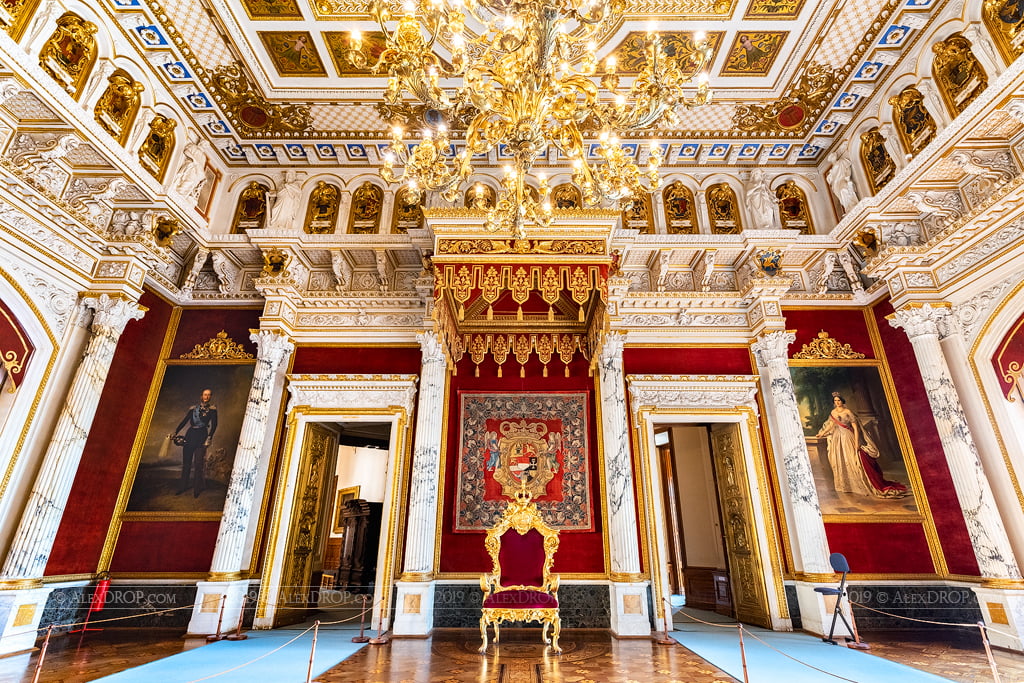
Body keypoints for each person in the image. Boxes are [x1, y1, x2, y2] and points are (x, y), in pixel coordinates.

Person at [815, 392, 907, 498]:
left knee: (853, 460)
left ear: (842, 401)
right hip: (837, 438)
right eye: (835, 401)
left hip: (848, 437)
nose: (837, 402)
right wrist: (822, 433)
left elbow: (855, 428)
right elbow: (831, 425)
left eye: (839, 400)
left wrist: (857, 442)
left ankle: (858, 484)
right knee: (841, 460)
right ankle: (847, 486)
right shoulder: (833, 412)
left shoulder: (848, 412)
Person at [171, 388, 218, 497]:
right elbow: (184, 421)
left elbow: (214, 425)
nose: (206, 396)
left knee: (198, 464)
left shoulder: (212, 410)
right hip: (190, 435)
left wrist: (209, 438)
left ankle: (197, 489)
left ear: (210, 397)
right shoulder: (193, 409)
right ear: (201, 396)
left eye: (209, 395)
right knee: (186, 463)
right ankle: (182, 487)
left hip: (202, 436)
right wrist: (175, 432)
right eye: (205, 394)